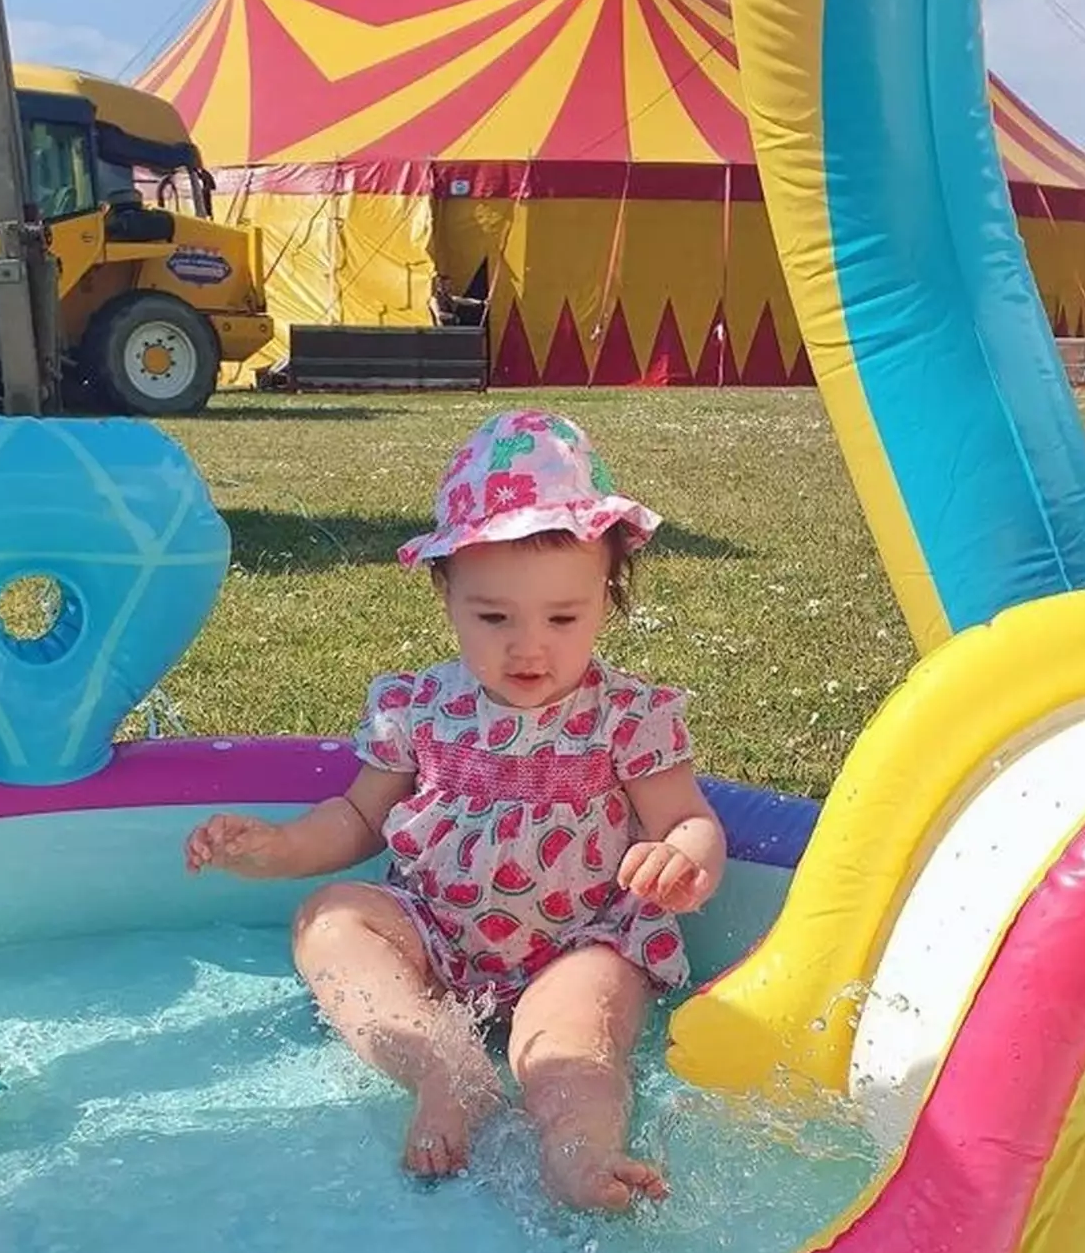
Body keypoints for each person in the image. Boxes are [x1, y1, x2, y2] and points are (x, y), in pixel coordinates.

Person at [185, 411, 726, 1212]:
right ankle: (446, 1069)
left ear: (605, 600)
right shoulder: (419, 706)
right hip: (438, 934)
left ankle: (582, 1152)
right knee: (330, 919)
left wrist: (686, 860)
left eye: (563, 618)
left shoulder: (626, 717)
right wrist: (276, 846)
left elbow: (689, 818)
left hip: (578, 943)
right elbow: (359, 818)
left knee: (573, 1042)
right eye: (494, 617)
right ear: (447, 594)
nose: (528, 647)